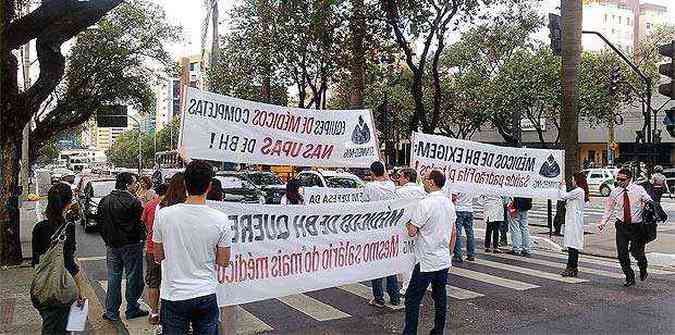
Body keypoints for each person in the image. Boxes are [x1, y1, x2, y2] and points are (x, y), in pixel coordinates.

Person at [154, 160, 231, 334]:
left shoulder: (164, 215)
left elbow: (158, 256)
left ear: (185, 184)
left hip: (173, 295)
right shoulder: (221, 219)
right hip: (206, 293)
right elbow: (223, 262)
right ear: (209, 186)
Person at [403, 170, 456, 335]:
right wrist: (449, 254)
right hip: (443, 260)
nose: (423, 181)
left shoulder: (425, 204)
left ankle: (410, 332)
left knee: (412, 298)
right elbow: (453, 232)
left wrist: (407, 221)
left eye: (425, 178)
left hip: (426, 260)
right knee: (440, 297)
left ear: (432, 182)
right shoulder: (449, 203)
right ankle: (438, 331)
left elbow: (412, 231)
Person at [32, 183, 86, 335]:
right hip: (61, 290)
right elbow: (69, 263)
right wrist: (80, 291)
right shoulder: (68, 227)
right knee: (62, 328)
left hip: (41, 289)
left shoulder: (39, 227)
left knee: (50, 325)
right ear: (68, 203)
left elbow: (36, 260)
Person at [98, 172, 148, 321]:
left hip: (112, 245)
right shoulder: (133, 202)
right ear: (127, 185)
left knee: (113, 277)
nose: (136, 186)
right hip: (131, 245)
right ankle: (132, 308)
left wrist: (107, 239)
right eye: (134, 183)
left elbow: (100, 223)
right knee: (133, 277)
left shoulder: (105, 201)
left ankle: (111, 311)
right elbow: (141, 223)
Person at [598, 168, 654, 287]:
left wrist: (648, 204)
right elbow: (609, 208)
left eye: (622, 179)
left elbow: (649, 200)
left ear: (629, 179)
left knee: (637, 252)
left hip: (637, 227)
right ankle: (629, 277)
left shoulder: (638, 189)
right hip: (621, 226)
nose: (619, 181)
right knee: (622, 254)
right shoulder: (615, 192)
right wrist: (603, 222)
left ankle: (643, 267)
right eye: (617, 179)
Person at [362, 161, 400, 307]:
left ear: (371, 172)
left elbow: (364, 206)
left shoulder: (369, 187)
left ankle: (378, 298)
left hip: (375, 229)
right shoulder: (391, 186)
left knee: (376, 264)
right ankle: (395, 296)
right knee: (391, 264)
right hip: (390, 229)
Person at [395, 168, 427, 294]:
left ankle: (407, 287)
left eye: (401, 177)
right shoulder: (424, 192)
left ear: (407, 178)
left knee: (407, 258)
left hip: (405, 228)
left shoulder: (399, 192)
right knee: (418, 257)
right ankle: (419, 285)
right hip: (421, 227)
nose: (399, 179)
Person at [141, 182, 169, 326]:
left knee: (153, 282)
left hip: (152, 249)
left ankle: (153, 312)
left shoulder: (149, 205)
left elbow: (145, 224)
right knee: (169, 282)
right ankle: (168, 313)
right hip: (169, 251)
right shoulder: (172, 206)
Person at [559, 172, 590, 277]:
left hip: (574, 222)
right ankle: (573, 267)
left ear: (577, 180)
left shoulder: (578, 191)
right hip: (573, 221)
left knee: (572, 246)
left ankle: (571, 267)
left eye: (573, 179)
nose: (572, 181)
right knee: (572, 246)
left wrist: (562, 186)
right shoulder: (580, 191)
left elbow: (563, 196)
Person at [449, 192, 475, 263]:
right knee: (470, 233)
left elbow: (454, 197)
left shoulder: (459, 184)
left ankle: (457, 255)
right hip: (469, 210)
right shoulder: (471, 185)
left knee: (457, 233)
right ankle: (471, 254)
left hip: (459, 209)